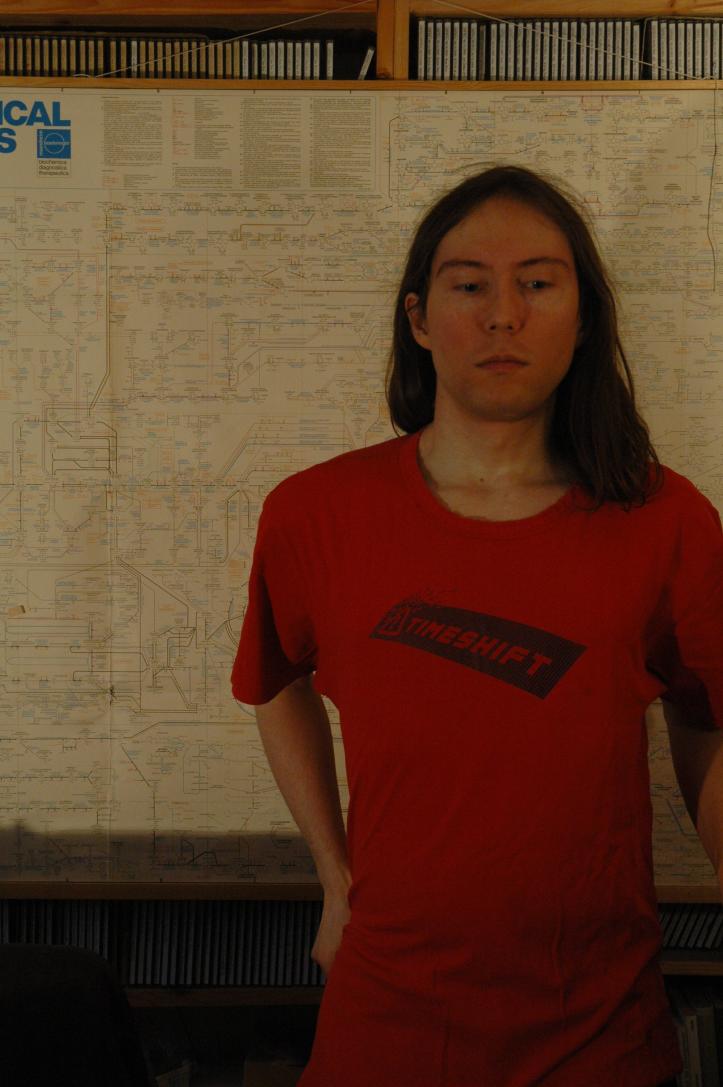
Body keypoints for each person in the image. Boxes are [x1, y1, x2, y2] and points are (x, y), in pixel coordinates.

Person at [231, 165, 723, 1087]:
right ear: (419, 319)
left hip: (599, 1039)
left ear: (583, 316)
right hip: (383, 1032)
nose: (503, 315)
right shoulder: (314, 513)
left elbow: (707, 717)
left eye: (537, 282)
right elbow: (273, 682)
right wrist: (336, 876)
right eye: (469, 286)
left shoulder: (665, 521)